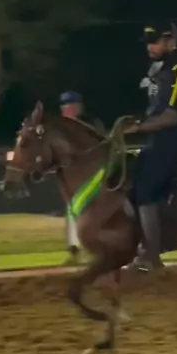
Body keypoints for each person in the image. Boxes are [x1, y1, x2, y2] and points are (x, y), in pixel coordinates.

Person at [124, 20, 177, 271]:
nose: (150, 47)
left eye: (155, 42)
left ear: (171, 42)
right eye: (148, 42)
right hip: (159, 137)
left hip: (176, 135)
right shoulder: (160, 68)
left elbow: (171, 116)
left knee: (145, 191)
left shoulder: (176, 66)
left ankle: (152, 254)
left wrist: (139, 128)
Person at [59, 91, 106, 263]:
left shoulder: (90, 123)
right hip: (72, 177)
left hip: (94, 174)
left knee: (89, 210)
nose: (68, 110)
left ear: (79, 107)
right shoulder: (60, 126)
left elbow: (102, 144)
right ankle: (74, 249)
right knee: (73, 209)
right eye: (65, 107)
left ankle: (95, 248)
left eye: (72, 106)